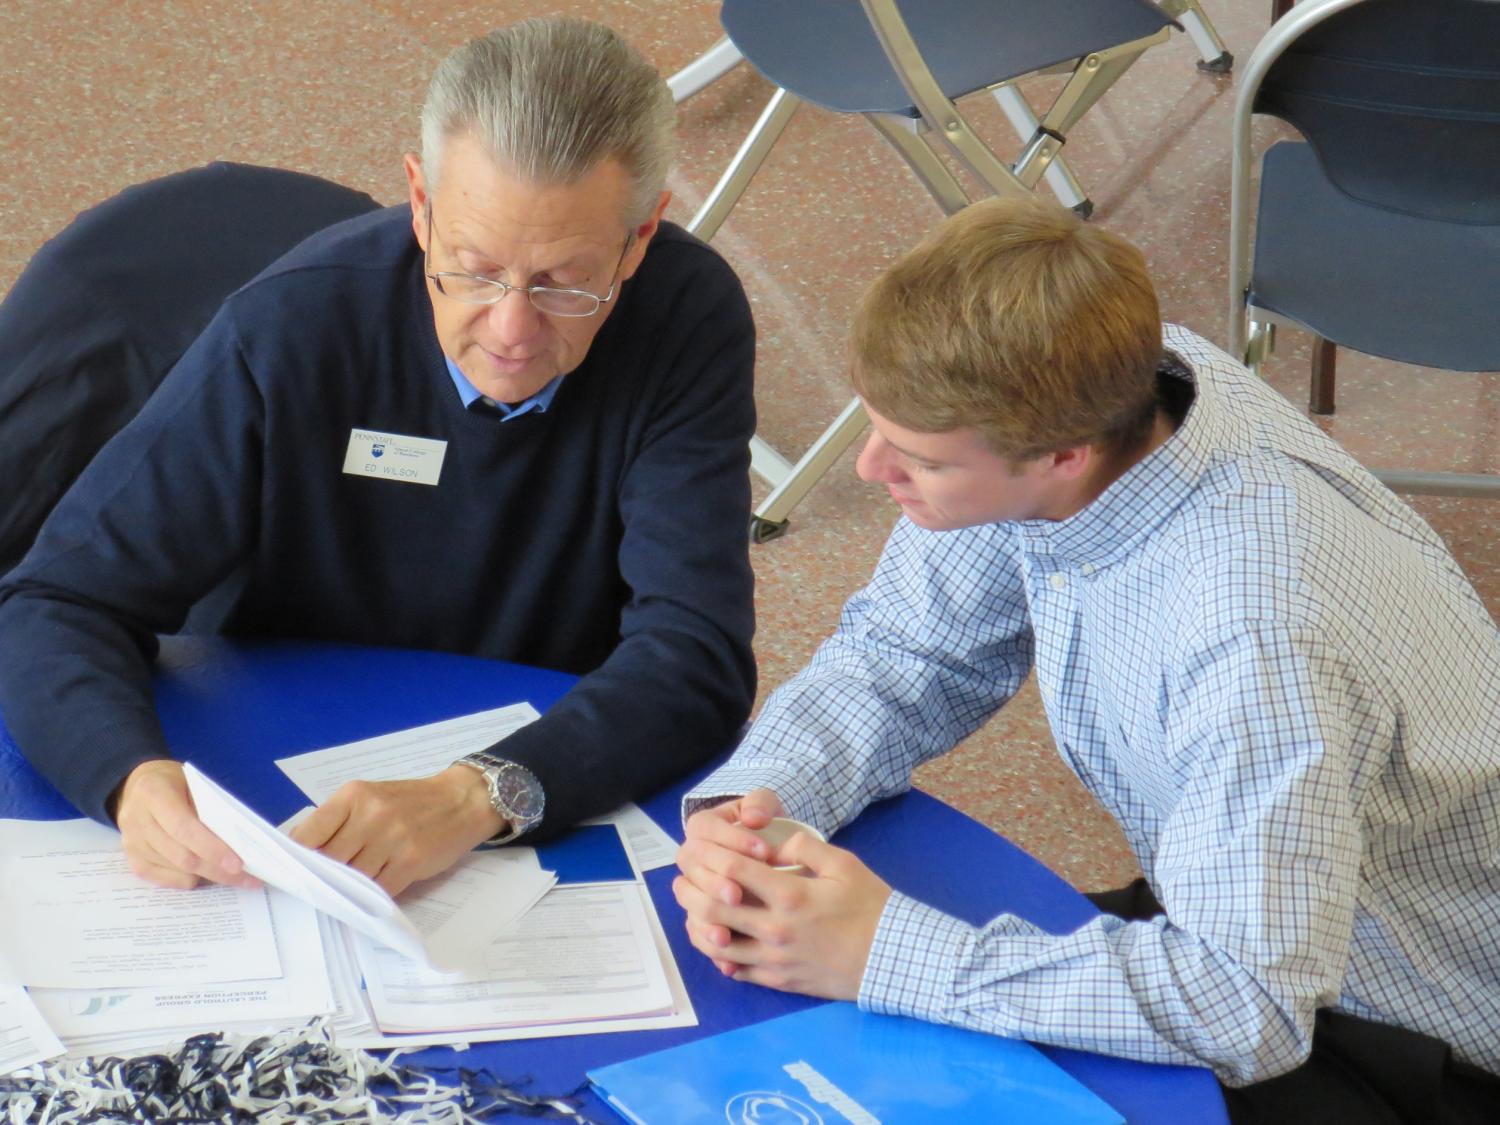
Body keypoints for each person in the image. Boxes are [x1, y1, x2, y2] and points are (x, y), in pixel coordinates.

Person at [674, 195, 1500, 1122]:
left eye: (919, 459)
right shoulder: (1111, 380)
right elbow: (908, 649)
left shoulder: (1256, 640)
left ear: (1063, 454)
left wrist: (881, 952)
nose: (871, 471)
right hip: (1247, 913)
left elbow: (1250, 1007)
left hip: (1398, 1036)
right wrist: (750, 807)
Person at [0, 17, 756, 900]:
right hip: (265, 755)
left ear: (641, 237)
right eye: (473, 269)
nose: (511, 330)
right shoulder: (291, 323)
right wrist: (126, 776)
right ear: (420, 205)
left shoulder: (687, 319)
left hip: (552, 767)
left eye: (564, 281)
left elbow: (697, 654)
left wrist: (484, 793)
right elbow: (56, 598)